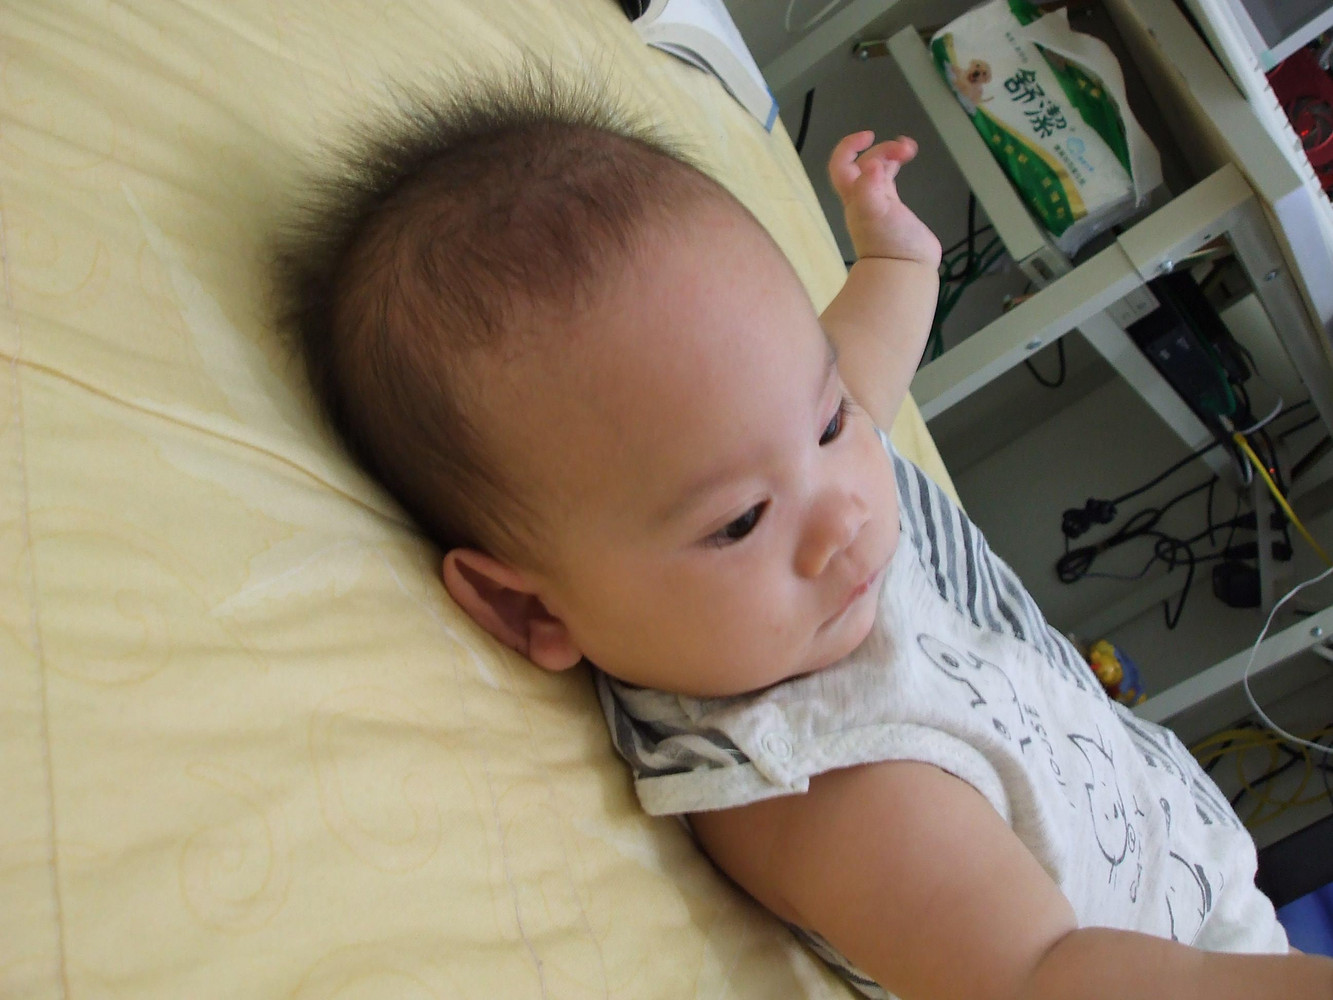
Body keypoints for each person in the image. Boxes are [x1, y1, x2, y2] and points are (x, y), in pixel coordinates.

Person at [275, 76, 1333, 1000]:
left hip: (1186, 851)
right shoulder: (825, 781)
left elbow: (855, 369)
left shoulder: (780, 476)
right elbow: (1040, 973)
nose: (842, 512)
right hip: (1181, 949)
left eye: (826, 425)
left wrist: (897, 258)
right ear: (529, 607)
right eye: (738, 521)